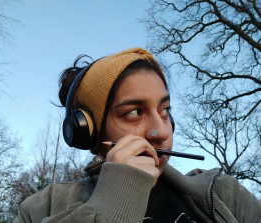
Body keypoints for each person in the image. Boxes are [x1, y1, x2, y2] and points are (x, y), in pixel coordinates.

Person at [14, 48, 261, 223]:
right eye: (134, 112)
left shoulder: (224, 193)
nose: (162, 131)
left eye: (164, 111)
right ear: (90, 132)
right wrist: (111, 208)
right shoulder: (42, 208)